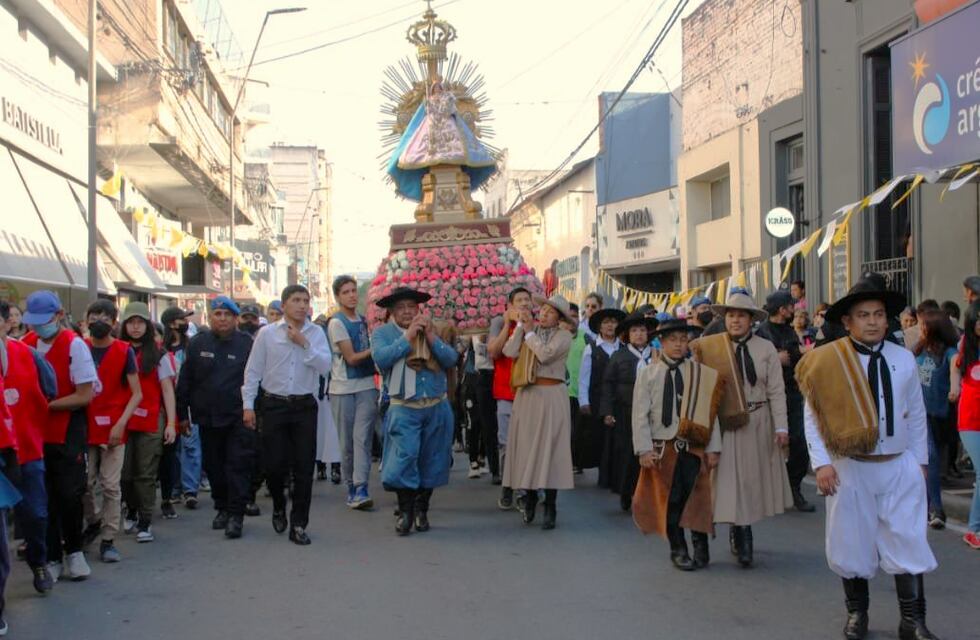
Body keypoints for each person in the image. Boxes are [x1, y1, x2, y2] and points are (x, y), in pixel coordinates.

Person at [797, 273, 939, 640]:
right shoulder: (829, 361)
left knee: (908, 540)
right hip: (850, 467)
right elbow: (813, 415)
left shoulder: (903, 358)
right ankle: (857, 615)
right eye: (864, 314)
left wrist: (919, 462)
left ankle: (913, 622)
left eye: (878, 314)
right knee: (851, 543)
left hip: (898, 465)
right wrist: (822, 463)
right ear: (848, 321)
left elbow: (916, 412)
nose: (874, 321)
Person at [690, 290, 792, 568]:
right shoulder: (710, 347)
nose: (735, 320)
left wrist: (781, 426)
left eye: (741, 316)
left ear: (751, 320)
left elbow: (776, 390)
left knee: (747, 482)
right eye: (731, 315)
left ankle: (743, 534)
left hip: (757, 421)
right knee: (715, 483)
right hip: (720, 424)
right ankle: (701, 539)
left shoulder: (765, 348)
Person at [243, 285, 331, 546]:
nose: (302, 305)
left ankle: (299, 524)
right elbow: (253, 372)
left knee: (304, 469)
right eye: (296, 300)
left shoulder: (315, 334)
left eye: (306, 300)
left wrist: (304, 345)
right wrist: (248, 405)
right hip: (274, 405)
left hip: (304, 406)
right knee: (274, 465)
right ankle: (279, 505)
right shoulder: (267, 334)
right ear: (284, 306)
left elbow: (326, 366)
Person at [632, 318, 721, 570]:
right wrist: (644, 449)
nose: (679, 345)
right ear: (662, 341)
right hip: (664, 447)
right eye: (673, 340)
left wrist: (714, 448)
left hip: (692, 444)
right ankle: (678, 548)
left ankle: (700, 543)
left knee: (698, 496)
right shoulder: (648, 373)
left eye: (683, 339)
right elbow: (640, 414)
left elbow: (710, 413)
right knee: (671, 500)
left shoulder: (699, 372)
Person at [22, 291, 96, 582]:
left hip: (66, 429)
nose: (38, 327)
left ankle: (74, 551)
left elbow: (85, 394)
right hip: (34, 432)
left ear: (58, 316)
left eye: (44, 321)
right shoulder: (25, 345)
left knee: (69, 494)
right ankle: (51, 555)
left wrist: (45, 404)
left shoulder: (74, 345)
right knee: (42, 498)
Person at [371, 287, 458, 536]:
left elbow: (451, 359)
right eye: (401, 308)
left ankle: (422, 509)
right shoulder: (382, 334)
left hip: (435, 405)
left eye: (411, 306)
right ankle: (405, 511)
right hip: (403, 407)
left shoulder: (434, 328)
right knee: (404, 459)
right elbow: (382, 360)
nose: (407, 311)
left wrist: (431, 338)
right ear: (392, 312)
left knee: (431, 460)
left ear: (419, 308)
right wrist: (407, 337)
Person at [176, 297, 254, 539]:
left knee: (237, 466)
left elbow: (255, 379)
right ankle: (221, 507)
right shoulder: (198, 343)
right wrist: (182, 415)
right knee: (214, 467)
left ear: (235, 318)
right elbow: (186, 381)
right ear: (210, 317)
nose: (222, 319)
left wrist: (254, 411)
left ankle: (236, 515)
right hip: (207, 418)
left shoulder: (246, 344)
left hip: (237, 417)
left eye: (227, 314)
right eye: (217, 314)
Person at [502, 294, 575, 530]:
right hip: (528, 395)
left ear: (559, 317)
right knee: (527, 447)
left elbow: (545, 354)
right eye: (542, 309)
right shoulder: (529, 331)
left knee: (551, 450)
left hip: (552, 395)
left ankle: (551, 505)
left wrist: (530, 333)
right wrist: (520, 329)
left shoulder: (564, 336)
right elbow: (509, 352)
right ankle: (530, 498)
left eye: (550, 312)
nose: (544, 314)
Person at [0, 301, 55, 592]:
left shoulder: (28, 354)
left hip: (26, 448)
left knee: (34, 514)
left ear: (6, 323)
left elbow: (50, 390)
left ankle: (39, 562)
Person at [81, 300, 141, 562]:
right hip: (83, 426)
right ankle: (94, 520)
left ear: (114, 323)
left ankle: (108, 538)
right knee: (83, 483)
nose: (99, 321)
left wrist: (121, 423)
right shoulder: (79, 348)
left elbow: (136, 394)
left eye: (106, 317)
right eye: (95, 316)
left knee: (110, 486)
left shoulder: (123, 351)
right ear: (86, 319)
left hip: (114, 427)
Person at [118, 303, 177, 544]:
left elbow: (167, 390)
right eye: (131, 322)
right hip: (122, 419)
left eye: (140, 322)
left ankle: (144, 520)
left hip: (152, 418)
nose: (135, 327)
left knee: (146, 473)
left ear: (148, 325)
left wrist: (171, 423)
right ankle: (130, 509)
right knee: (124, 475)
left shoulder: (160, 354)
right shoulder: (117, 350)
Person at [755, 290, 814, 513]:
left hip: (792, 391)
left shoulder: (789, 331)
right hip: (769, 396)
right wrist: (774, 358)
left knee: (799, 441)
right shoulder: (761, 333)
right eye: (791, 306)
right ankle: (767, 491)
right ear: (782, 309)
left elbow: (795, 356)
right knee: (768, 445)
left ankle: (793, 486)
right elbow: (754, 364)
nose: (794, 310)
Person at [327, 275, 379, 510]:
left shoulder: (363, 320)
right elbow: (351, 358)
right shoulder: (336, 323)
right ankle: (351, 485)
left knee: (363, 438)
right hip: (343, 389)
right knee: (347, 442)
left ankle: (362, 486)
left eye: (353, 290)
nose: (351, 295)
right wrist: (375, 350)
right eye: (345, 291)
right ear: (337, 296)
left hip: (367, 385)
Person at [599, 312, 658, 511]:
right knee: (626, 454)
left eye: (642, 330)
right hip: (625, 412)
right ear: (627, 334)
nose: (639, 334)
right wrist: (607, 411)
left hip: (653, 413)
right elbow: (607, 384)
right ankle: (627, 491)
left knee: (652, 452)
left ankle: (650, 492)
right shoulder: (619, 356)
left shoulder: (657, 355)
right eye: (634, 330)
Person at [487, 287, 533, 509]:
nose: (524, 304)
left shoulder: (537, 322)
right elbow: (494, 352)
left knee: (528, 443)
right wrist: (508, 324)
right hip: (506, 393)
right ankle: (507, 485)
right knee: (506, 443)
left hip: (531, 392)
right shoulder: (499, 322)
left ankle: (526, 490)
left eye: (527, 300)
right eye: (519, 300)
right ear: (510, 305)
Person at [912, 311, 959, 530]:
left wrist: (954, 388)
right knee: (929, 457)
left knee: (933, 461)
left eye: (924, 325)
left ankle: (928, 506)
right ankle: (936, 509)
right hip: (919, 415)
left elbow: (955, 367)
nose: (920, 328)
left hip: (940, 414)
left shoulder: (949, 352)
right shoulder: (918, 349)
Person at [579, 307, 625, 486]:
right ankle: (604, 476)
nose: (610, 326)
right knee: (601, 438)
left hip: (619, 399)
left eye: (613, 322)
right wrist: (584, 401)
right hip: (598, 399)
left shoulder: (623, 348)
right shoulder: (591, 349)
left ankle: (616, 475)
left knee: (618, 438)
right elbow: (584, 378)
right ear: (599, 326)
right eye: (606, 322)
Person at [161, 306, 201, 510]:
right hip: (166, 403)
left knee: (191, 445)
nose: (185, 322)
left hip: (189, 401)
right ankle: (173, 488)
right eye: (181, 319)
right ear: (171, 323)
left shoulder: (192, 346)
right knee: (172, 448)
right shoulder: (161, 348)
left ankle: (190, 490)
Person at [951, 301, 980, 549]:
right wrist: (953, 389)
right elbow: (954, 368)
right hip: (971, 421)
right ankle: (974, 529)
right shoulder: (965, 347)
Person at [564, 303, 587, 474]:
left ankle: (576, 461)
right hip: (561, 393)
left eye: (575, 316)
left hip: (579, 393)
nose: (573, 319)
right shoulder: (557, 337)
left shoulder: (586, 338)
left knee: (578, 431)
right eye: (569, 315)